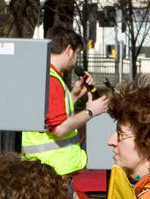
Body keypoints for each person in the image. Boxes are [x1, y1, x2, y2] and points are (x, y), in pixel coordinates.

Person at [19, 25, 109, 176]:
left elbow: (49, 116)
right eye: (77, 54)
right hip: (54, 169)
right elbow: (59, 129)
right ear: (68, 50)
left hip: (44, 168)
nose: (76, 60)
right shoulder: (52, 80)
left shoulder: (44, 74)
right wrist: (91, 111)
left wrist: (74, 95)